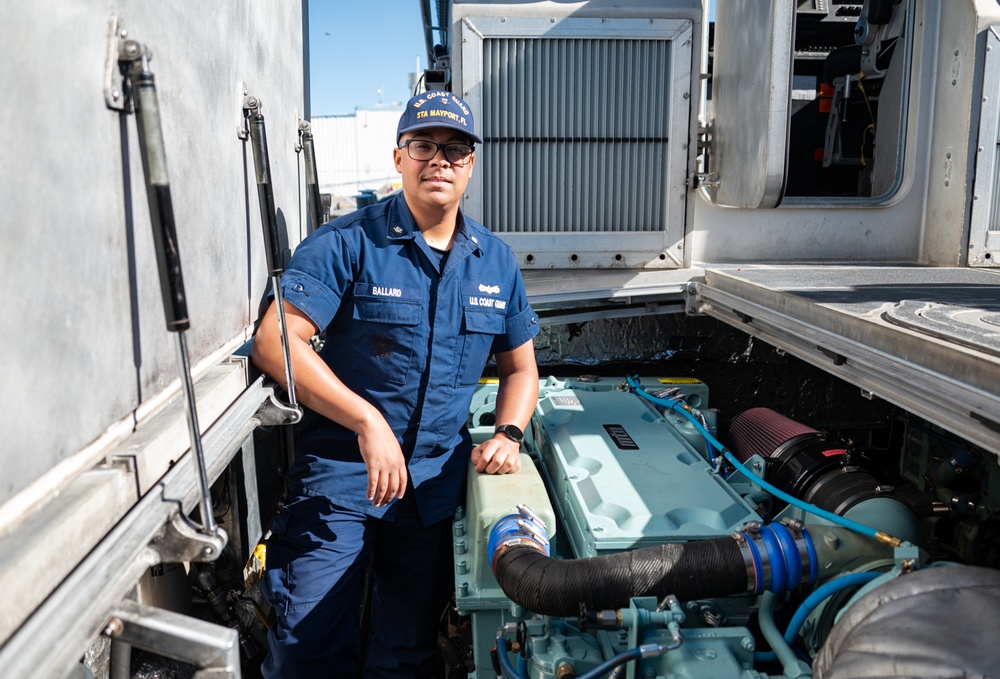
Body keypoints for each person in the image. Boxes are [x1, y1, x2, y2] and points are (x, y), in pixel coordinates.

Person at [251, 90, 540, 678]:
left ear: (472, 164)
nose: (440, 160)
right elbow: (276, 342)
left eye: (455, 149)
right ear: (399, 157)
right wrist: (366, 420)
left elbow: (521, 368)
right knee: (306, 651)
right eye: (423, 146)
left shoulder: (496, 262)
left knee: (406, 654)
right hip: (341, 478)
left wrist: (508, 432)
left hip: (431, 490)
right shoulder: (347, 242)